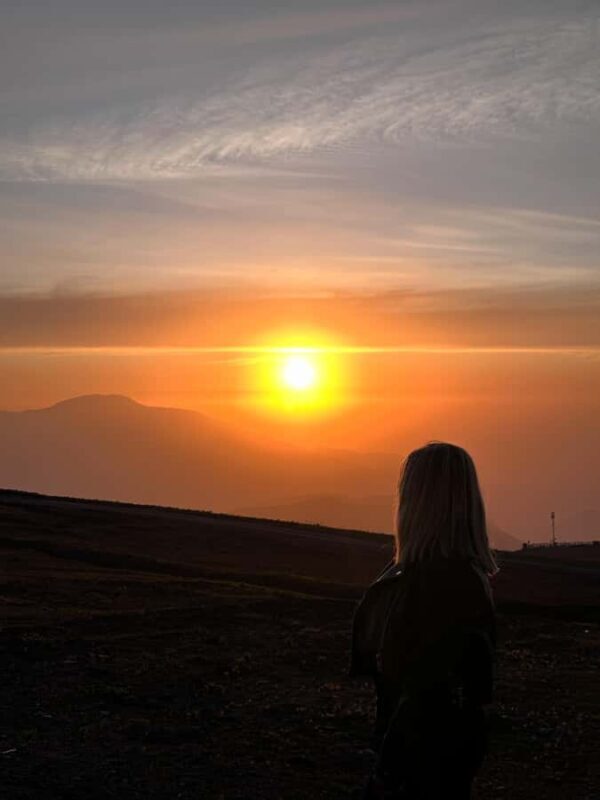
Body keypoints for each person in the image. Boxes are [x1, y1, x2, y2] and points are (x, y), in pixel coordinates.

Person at [350, 442, 497, 799]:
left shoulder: (441, 584)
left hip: (422, 764)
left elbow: (425, 696)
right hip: (441, 755)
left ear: (419, 503)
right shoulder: (449, 577)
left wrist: (385, 774)